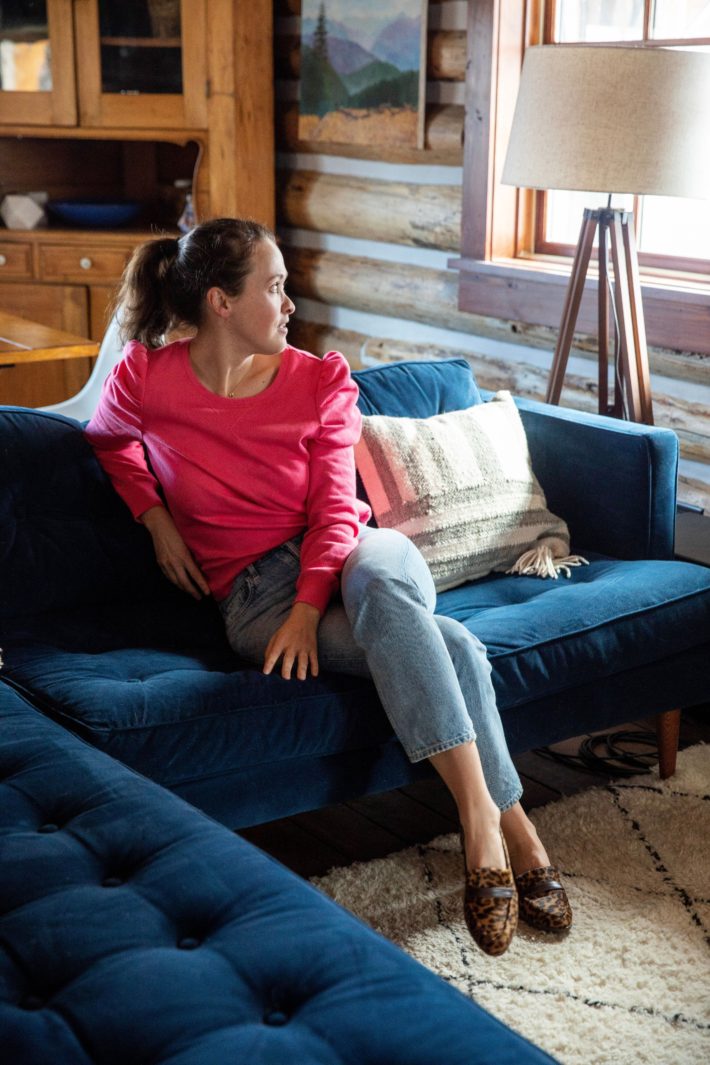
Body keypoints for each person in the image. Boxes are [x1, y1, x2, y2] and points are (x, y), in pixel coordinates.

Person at [85, 217, 572, 956]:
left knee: (384, 586)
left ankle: (476, 822)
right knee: (457, 648)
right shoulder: (145, 380)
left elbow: (334, 512)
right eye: (275, 286)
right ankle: (519, 831)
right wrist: (154, 518)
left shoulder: (319, 381)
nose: (289, 303)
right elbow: (107, 437)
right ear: (220, 302)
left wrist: (311, 608)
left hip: (356, 553)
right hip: (255, 602)